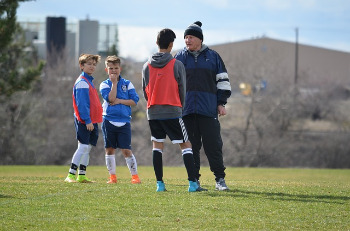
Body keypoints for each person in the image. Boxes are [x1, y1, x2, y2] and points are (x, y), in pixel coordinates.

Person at [142, 28, 204, 192]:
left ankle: (160, 185)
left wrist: (153, 105)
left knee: (157, 145)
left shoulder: (146, 66)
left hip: (153, 111)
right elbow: (182, 89)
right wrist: (179, 107)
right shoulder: (177, 64)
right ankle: (192, 184)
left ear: (157, 43)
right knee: (186, 145)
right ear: (171, 44)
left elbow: (145, 90)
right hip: (173, 110)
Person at [174, 21, 232, 191]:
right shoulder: (179, 58)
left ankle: (220, 179)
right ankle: (195, 181)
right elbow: (172, 84)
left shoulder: (213, 57)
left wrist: (221, 103)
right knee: (191, 147)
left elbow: (223, 82)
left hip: (208, 110)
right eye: (185, 37)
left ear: (199, 39)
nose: (187, 40)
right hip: (186, 110)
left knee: (213, 146)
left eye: (190, 37)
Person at [99, 55, 141, 184]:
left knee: (126, 150)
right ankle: (112, 177)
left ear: (120, 69)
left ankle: (135, 177)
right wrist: (114, 84)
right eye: (111, 68)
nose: (113, 71)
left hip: (124, 121)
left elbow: (134, 100)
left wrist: (120, 101)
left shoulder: (128, 84)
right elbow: (110, 99)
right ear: (107, 70)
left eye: (116, 68)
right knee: (110, 149)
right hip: (108, 120)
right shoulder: (104, 85)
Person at [65, 53, 103, 183]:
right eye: (89, 64)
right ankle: (70, 175)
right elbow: (82, 104)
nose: (92, 66)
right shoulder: (82, 82)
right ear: (81, 66)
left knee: (87, 147)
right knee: (82, 147)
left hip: (92, 120)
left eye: (94, 64)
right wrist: (87, 120)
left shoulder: (89, 81)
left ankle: (81, 175)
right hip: (85, 121)